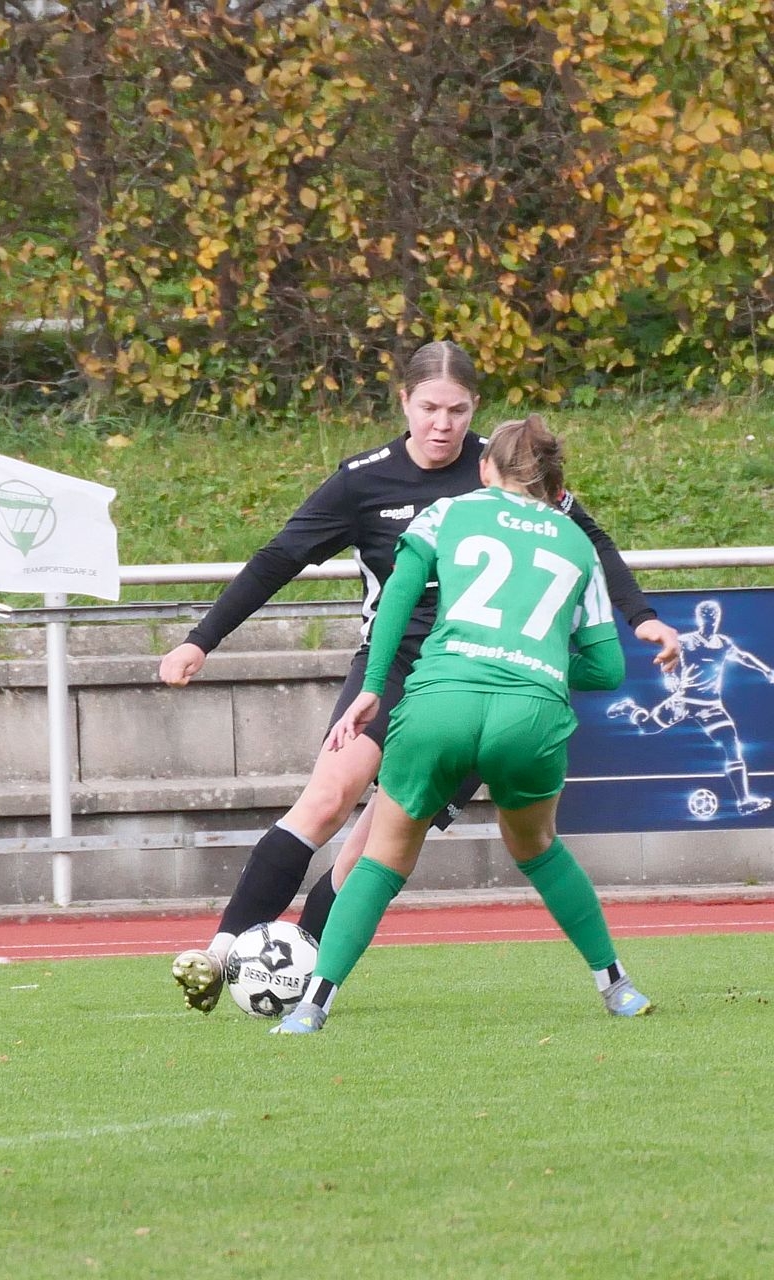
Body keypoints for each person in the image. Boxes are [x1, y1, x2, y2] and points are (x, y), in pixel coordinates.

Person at [159, 341, 679, 1013]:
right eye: (430, 408)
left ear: (475, 409)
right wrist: (201, 639)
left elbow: (590, 541)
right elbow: (279, 557)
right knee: (327, 797)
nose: (443, 424)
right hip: (395, 662)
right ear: (403, 402)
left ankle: (300, 969)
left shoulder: (507, 465)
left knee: (371, 844)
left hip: (468, 678)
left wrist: (641, 617)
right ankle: (221, 951)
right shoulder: (364, 480)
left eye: (457, 410)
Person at [273, 415, 653, 1032]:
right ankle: (617, 987)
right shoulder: (576, 541)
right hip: (530, 715)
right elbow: (608, 669)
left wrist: (372, 688)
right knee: (538, 848)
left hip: (440, 701)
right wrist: (538, 669)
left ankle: (312, 1007)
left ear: (484, 468)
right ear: (554, 479)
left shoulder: (447, 512)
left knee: (384, 856)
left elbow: (398, 594)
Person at [607, 598, 774, 816]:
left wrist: (766, 671)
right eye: (707, 618)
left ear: (718, 618)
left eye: (714, 618)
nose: (711, 622)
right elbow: (666, 656)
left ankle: (743, 801)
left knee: (731, 745)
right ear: (699, 619)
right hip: (685, 701)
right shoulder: (686, 641)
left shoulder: (723, 643)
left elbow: (743, 657)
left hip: (711, 706)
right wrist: (669, 676)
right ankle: (629, 708)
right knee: (648, 727)